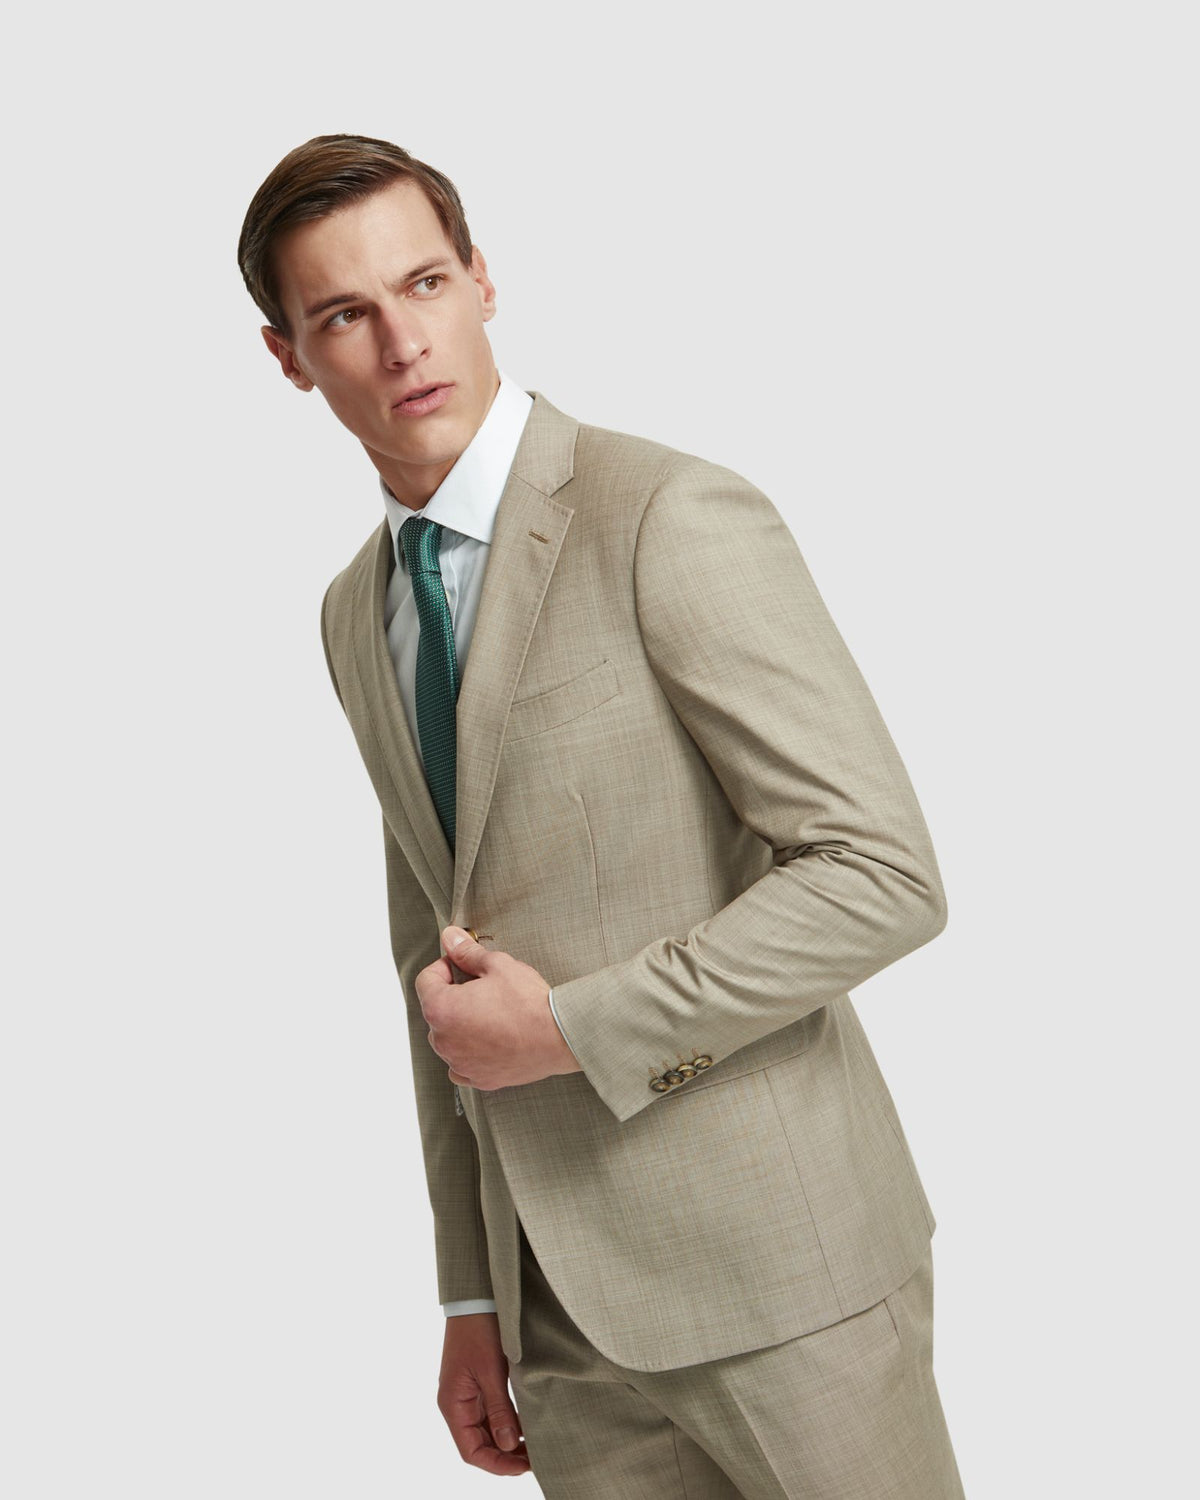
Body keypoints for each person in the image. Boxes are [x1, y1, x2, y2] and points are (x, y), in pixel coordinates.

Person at [237, 132, 965, 1498]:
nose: (403, 343)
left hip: (786, 1283)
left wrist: (574, 1029)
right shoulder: (353, 614)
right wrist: (471, 1289)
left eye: (426, 283)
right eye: (343, 314)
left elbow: (880, 875)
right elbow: (431, 963)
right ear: (289, 357)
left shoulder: (663, 515)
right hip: (557, 1319)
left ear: (483, 277)